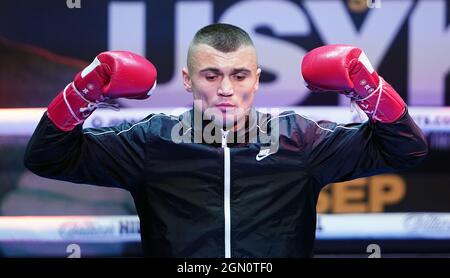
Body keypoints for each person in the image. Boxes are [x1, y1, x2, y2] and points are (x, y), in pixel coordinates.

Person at [24, 23, 428, 258]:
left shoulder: (300, 140)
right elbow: (47, 157)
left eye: (238, 75)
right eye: (211, 75)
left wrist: (368, 88)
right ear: (187, 80)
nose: (225, 90)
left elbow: (405, 149)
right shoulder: (150, 141)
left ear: (255, 78)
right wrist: (84, 93)